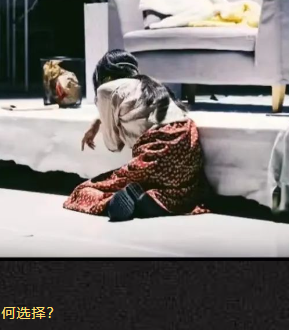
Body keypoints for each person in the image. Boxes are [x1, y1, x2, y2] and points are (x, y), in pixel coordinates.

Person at [64, 49, 210, 221]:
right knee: (179, 188)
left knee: (83, 191)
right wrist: (99, 120)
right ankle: (153, 199)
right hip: (188, 145)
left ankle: (117, 200)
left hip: (157, 152)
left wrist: (104, 116)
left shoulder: (105, 90)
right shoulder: (152, 84)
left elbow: (113, 145)